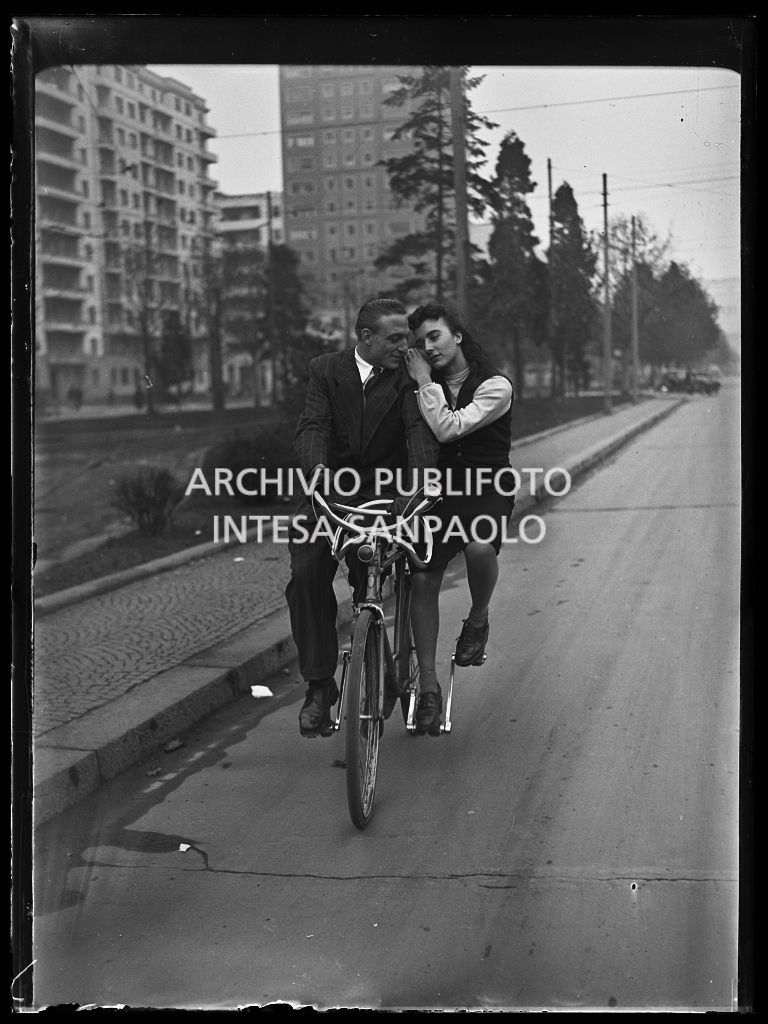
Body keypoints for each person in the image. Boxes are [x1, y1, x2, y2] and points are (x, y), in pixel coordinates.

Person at [286, 298, 439, 737]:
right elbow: (313, 425)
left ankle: (372, 645)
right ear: (366, 337)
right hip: (330, 494)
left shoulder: (406, 377)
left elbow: (418, 431)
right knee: (306, 573)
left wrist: (421, 484)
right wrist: (317, 470)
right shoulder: (325, 370)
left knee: (365, 568)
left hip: (385, 497)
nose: (405, 346)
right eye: (395, 338)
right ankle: (320, 687)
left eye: (407, 337)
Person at [403, 302, 514, 735]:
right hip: (441, 493)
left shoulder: (495, 386)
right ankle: (428, 686)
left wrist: (424, 383)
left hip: (487, 489)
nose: (428, 347)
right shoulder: (421, 383)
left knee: (480, 547)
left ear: (458, 336)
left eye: (435, 336)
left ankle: (478, 619)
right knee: (423, 576)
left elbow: (448, 428)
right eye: (421, 342)